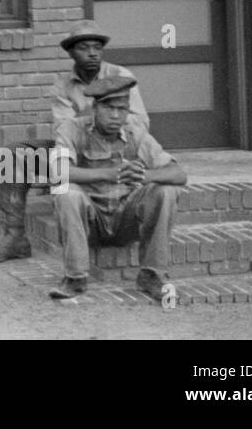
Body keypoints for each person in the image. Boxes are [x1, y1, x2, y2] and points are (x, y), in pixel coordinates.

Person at [0, 20, 149, 264]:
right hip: (77, 150)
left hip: (115, 151)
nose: (92, 53)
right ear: (70, 53)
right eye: (84, 48)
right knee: (11, 154)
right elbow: (64, 130)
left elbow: (139, 123)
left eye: (97, 47)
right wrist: (91, 122)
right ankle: (15, 238)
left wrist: (99, 120)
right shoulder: (63, 85)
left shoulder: (121, 77)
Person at [48, 76, 186, 300]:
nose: (115, 116)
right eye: (108, 108)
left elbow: (179, 174)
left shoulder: (135, 133)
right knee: (65, 191)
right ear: (95, 107)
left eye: (121, 109)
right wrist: (111, 174)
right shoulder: (72, 129)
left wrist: (145, 175)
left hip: (126, 219)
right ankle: (75, 278)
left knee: (166, 190)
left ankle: (152, 275)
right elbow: (58, 172)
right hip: (90, 223)